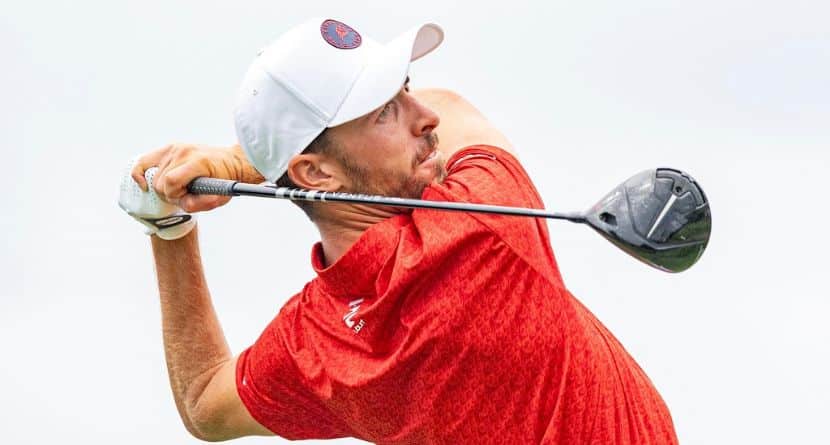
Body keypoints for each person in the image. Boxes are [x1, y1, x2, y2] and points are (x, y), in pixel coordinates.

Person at [119, 17, 678, 444]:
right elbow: (453, 107)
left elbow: (203, 403)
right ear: (316, 173)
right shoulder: (481, 220)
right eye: (386, 109)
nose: (423, 115)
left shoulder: (314, 346)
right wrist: (238, 162)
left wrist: (168, 229)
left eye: (404, 87)